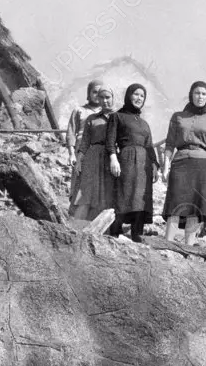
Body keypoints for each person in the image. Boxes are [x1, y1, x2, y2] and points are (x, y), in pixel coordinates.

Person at [162, 81, 206, 244]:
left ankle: (189, 246)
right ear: (191, 94)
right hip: (180, 163)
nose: (200, 97)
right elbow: (169, 143)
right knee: (175, 203)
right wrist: (166, 166)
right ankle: (166, 243)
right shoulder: (177, 117)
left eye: (204, 94)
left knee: (195, 206)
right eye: (197, 93)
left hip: (201, 166)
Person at [106, 83, 160, 243]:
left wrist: (155, 165)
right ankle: (114, 234)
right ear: (128, 95)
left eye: (142, 96)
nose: (139, 98)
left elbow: (150, 146)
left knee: (141, 199)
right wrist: (113, 158)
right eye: (136, 94)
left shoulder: (144, 124)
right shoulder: (117, 116)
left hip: (144, 166)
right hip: (126, 160)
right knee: (124, 195)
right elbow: (110, 141)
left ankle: (137, 236)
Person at [68, 85, 116, 223]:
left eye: (108, 97)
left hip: (110, 159)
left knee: (105, 195)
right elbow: (85, 142)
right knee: (85, 194)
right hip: (92, 158)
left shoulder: (118, 117)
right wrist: (79, 160)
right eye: (101, 97)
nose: (105, 101)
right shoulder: (91, 118)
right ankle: (76, 228)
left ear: (113, 98)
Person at [66, 79, 105, 200]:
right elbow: (71, 132)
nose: (97, 95)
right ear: (88, 93)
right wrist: (72, 154)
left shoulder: (107, 113)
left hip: (99, 150)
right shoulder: (79, 110)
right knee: (79, 178)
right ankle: (74, 211)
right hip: (81, 149)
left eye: (100, 92)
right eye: (94, 92)